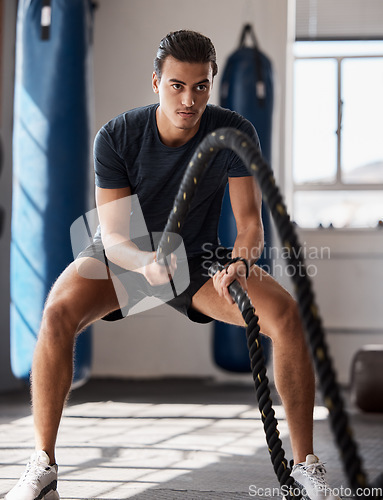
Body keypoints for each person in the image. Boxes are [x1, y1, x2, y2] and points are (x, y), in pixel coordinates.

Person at [6, 30, 341, 500]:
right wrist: (145, 264)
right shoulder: (117, 137)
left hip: (197, 254)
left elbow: (250, 226)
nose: (189, 99)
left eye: (200, 85)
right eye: (177, 86)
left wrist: (240, 264)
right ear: (156, 83)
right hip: (129, 253)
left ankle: (306, 468)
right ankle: (42, 466)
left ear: (212, 82)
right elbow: (116, 236)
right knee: (57, 312)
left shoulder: (234, 131)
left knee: (285, 315)